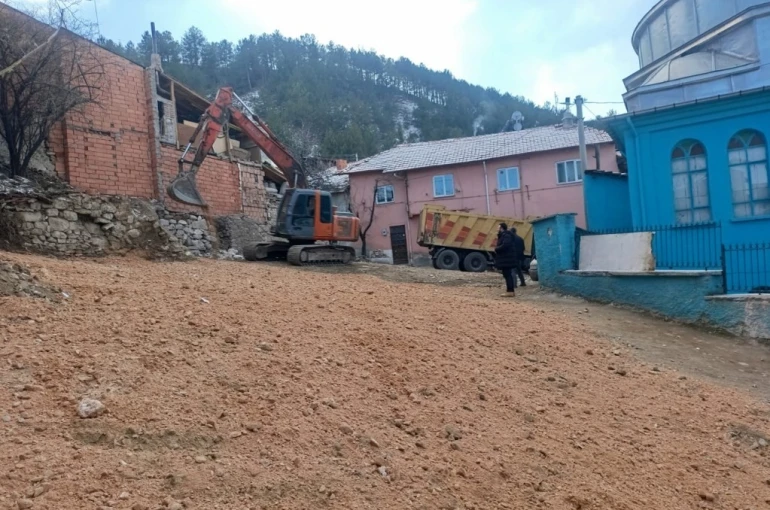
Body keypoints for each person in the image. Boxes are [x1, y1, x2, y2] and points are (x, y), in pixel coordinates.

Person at [494, 223, 517, 297]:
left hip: (507, 259)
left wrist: (497, 249)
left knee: (507, 275)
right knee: (507, 274)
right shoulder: (505, 235)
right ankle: (510, 291)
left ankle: (510, 291)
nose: (497, 229)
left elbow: (505, 245)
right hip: (506, 259)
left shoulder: (506, 235)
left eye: (498, 227)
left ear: (501, 228)